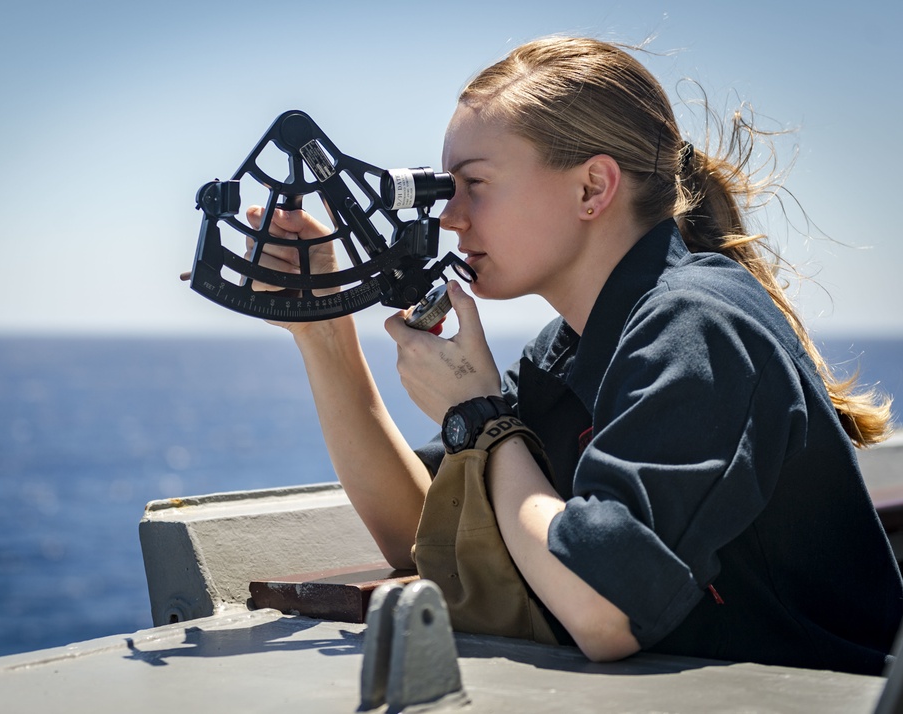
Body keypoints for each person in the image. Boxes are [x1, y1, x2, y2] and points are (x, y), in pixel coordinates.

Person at [231, 36, 901, 674]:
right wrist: (324, 334)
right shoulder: (568, 351)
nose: (449, 216)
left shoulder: (698, 326)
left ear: (592, 188)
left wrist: (481, 418)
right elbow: (421, 530)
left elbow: (606, 609)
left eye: (476, 184)